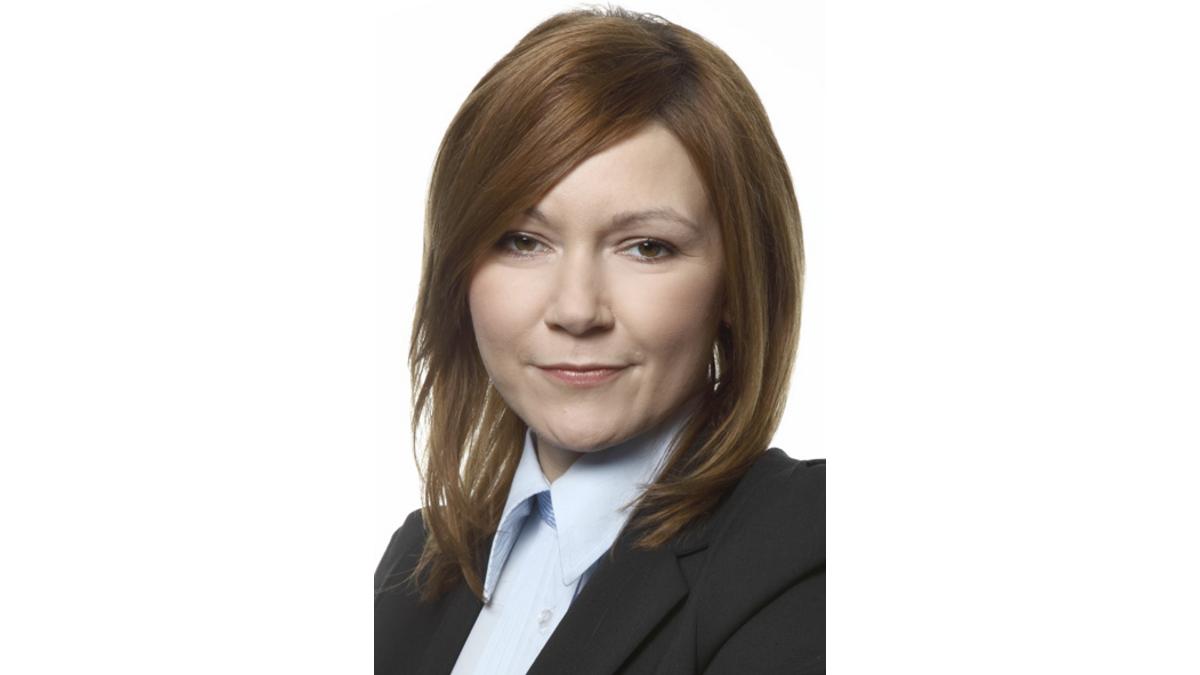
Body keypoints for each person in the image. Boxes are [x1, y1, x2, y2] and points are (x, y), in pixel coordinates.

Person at [375, 6, 824, 674]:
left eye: (647, 246)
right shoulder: (411, 570)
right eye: (522, 241)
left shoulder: (810, 546)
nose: (577, 310)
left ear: (739, 281)